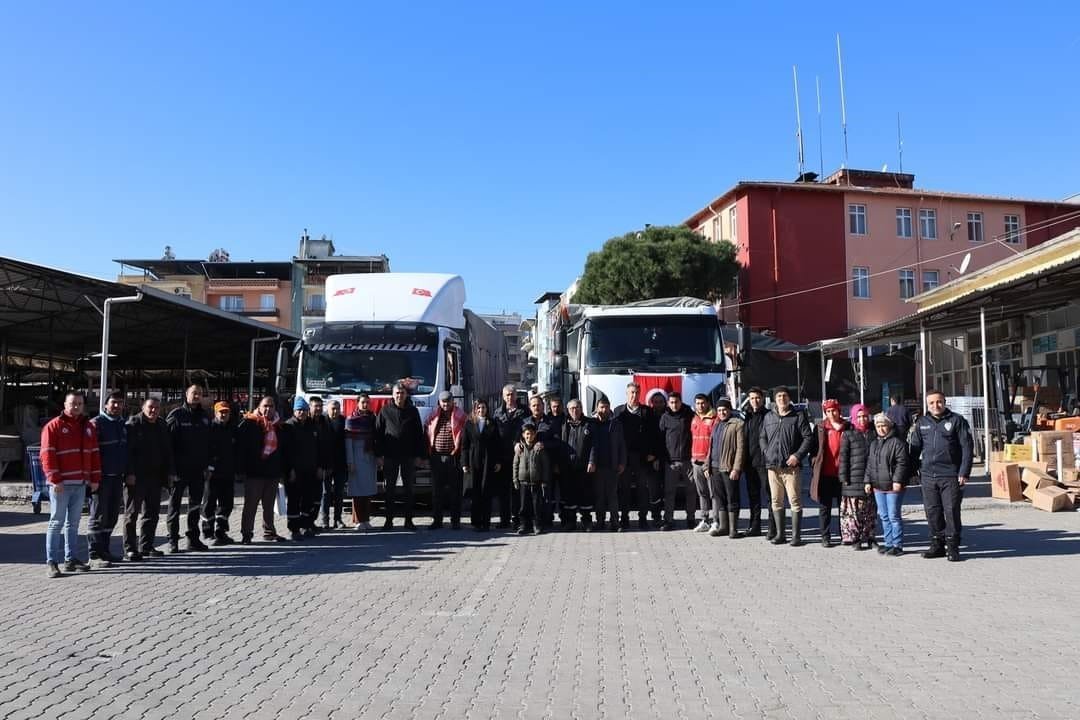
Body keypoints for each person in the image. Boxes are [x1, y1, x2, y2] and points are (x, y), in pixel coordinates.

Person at [40, 391, 101, 578]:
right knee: (56, 522)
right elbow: (47, 454)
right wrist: (54, 479)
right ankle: (52, 562)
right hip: (61, 485)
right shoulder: (53, 426)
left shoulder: (88, 426)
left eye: (80, 404)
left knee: (73, 524)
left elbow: (94, 453)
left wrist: (95, 478)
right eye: (73, 403)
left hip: (80, 483)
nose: (76, 407)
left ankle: (71, 559)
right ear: (65, 405)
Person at [909, 390, 973, 562]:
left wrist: (964, 472)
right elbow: (914, 448)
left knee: (951, 510)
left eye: (939, 402)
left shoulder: (957, 421)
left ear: (944, 402)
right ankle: (937, 545)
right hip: (928, 475)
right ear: (927, 405)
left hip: (951, 475)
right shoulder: (922, 422)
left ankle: (953, 547)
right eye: (931, 403)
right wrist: (913, 470)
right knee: (932, 511)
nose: (935, 406)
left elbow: (967, 447)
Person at [760, 386, 813, 546]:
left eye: (784, 396)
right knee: (776, 501)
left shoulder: (798, 416)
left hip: (791, 468)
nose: (782, 399)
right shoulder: (769, 417)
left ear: (789, 398)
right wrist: (766, 452)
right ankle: (780, 534)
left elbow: (807, 438)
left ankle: (796, 537)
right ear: (774, 400)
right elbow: (762, 437)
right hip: (773, 466)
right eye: (779, 396)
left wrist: (797, 456)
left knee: (794, 501)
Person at [124, 397, 175, 561]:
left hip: (155, 477)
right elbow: (127, 452)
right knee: (132, 514)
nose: (153, 411)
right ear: (143, 407)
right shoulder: (133, 424)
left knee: (152, 513)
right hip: (136, 478)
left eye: (157, 408)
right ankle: (130, 549)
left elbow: (168, 451)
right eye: (150, 407)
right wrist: (129, 473)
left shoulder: (161, 425)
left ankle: (146, 546)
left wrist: (169, 473)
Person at [165, 384, 212, 553]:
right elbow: (167, 445)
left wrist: (207, 466)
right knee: (174, 506)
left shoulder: (205, 417)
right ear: (186, 395)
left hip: (198, 470)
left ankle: (193, 539)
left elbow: (208, 444)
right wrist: (170, 470)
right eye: (194, 393)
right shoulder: (176, 415)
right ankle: (172, 540)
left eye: (200, 393)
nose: (197, 396)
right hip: (179, 470)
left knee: (194, 506)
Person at [375, 382, 427, 531]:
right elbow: (378, 434)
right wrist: (379, 455)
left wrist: (420, 455)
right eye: (397, 393)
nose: (399, 395)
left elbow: (419, 435)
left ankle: (409, 521)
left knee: (408, 489)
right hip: (390, 456)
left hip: (408, 456)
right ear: (392, 394)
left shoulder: (413, 411)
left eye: (402, 393)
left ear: (406, 395)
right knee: (389, 489)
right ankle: (388, 521)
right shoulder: (385, 410)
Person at [237, 396, 286, 544]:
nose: (268, 409)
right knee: (250, 506)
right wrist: (241, 470)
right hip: (254, 473)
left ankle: (269, 532)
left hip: (272, 473)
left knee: (269, 506)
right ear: (259, 407)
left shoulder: (279, 426)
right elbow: (241, 449)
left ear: (275, 409)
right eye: (265, 406)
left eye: (271, 406)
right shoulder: (248, 423)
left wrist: (282, 471)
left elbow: (283, 451)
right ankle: (246, 534)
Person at [89, 391, 128, 567]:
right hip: (101, 478)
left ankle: (105, 550)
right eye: (113, 402)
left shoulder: (122, 423)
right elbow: (90, 452)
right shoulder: (96, 424)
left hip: (117, 477)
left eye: (120, 403)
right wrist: (92, 477)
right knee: (98, 516)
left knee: (111, 516)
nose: (117, 406)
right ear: (105, 405)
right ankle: (94, 554)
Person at [613, 383, 658, 530]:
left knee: (642, 489)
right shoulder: (618, 411)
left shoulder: (647, 412)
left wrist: (653, 453)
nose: (634, 395)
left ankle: (643, 519)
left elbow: (654, 435)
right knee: (624, 489)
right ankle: (624, 519)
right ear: (626, 394)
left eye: (637, 393)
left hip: (642, 458)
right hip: (624, 458)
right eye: (631, 392)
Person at [866, 412, 910, 556]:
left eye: (883, 425)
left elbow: (902, 464)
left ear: (890, 426)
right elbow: (870, 465)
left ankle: (897, 545)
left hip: (893, 486)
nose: (881, 428)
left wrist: (897, 481)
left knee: (893, 516)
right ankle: (888, 542)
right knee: (884, 516)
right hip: (878, 486)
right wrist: (867, 481)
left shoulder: (897, 443)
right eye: (878, 426)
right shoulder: (874, 444)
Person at [282, 396, 325, 539]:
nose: (302, 413)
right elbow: (286, 451)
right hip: (295, 472)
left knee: (309, 499)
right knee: (294, 500)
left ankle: (306, 526)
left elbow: (319, 449)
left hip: (311, 470)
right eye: (299, 410)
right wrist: (290, 470)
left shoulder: (312, 426)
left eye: (304, 410)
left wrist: (319, 466)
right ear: (294, 411)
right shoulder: (288, 426)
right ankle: (294, 530)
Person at [425, 391, 467, 530]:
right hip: (436, 457)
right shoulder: (433, 416)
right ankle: (437, 520)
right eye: (443, 401)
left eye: (448, 401)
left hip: (453, 457)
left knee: (455, 491)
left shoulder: (461, 415)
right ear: (439, 402)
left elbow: (464, 437)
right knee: (437, 491)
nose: (445, 404)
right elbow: (427, 432)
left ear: (452, 402)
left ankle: (455, 521)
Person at [809, 399, 847, 548]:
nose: (831, 414)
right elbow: (813, 448)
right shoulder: (820, 427)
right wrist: (814, 461)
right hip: (825, 474)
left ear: (839, 410)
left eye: (834, 410)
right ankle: (825, 536)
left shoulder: (847, 427)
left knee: (843, 507)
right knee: (825, 507)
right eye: (828, 411)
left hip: (842, 474)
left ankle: (845, 534)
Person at [707, 398, 746, 538]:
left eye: (724, 410)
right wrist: (707, 465)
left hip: (728, 468)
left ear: (729, 410)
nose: (722, 412)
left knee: (732, 498)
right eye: (719, 410)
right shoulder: (716, 425)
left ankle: (733, 530)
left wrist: (736, 468)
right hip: (715, 467)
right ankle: (723, 527)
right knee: (719, 498)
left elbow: (741, 448)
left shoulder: (737, 424)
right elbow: (710, 447)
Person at [461, 398, 502, 531]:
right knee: (475, 491)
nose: (481, 410)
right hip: (474, 461)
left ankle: (486, 522)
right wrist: (464, 463)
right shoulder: (469, 423)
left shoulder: (492, 423)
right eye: (478, 408)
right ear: (475, 409)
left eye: (483, 408)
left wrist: (497, 461)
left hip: (488, 461)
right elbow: (464, 446)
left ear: (487, 409)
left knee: (486, 490)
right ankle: (476, 521)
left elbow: (497, 445)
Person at [201, 401, 238, 546]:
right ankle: (207, 532)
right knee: (209, 503)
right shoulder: (210, 428)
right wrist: (208, 468)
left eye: (226, 412)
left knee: (226, 504)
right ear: (215, 413)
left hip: (228, 472)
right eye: (221, 412)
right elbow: (205, 450)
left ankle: (221, 531)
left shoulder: (233, 429)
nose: (223, 414)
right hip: (212, 473)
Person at [838, 404, 875, 549]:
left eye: (865, 416)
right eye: (859, 416)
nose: (862, 419)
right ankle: (855, 539)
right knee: (855, 512)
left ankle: (870, 537)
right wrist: (844, 477)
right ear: (853, 417)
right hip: (853, 477)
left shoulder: (873, 433)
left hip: (872, 477)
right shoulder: (848, 434)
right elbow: (843, 457)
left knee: (870, 510)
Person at [658, 391, 696, 531]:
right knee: (669, 492)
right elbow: (660, 440)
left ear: (681, 402)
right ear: (668, 403)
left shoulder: (689, 415)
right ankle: (668, 520)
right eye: (671, 402)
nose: (674, 405)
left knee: (691, 491)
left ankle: (691, 518)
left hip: (688, 460)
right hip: (671, 462)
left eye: (676, 402)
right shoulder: (665, 417)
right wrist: (662, 458)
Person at [492, 384, 527, 529]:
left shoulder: (524, 411)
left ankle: (518, 519)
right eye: (507, 395)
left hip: (519, 456)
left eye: (512, 394)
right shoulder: (497, 413)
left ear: (516, 395)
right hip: (502, 457)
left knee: (517, 489)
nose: (510, 397)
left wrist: (520, 442)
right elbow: (493, 436)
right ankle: (504, 519)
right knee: (502, 490)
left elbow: (529, 430)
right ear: (503, 396)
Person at [560, 399, 595, 532]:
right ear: (568, 410)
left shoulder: (588, 424)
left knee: (585, 495)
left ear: (581, 409)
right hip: (568, 466)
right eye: (572, 408)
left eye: (577, 408)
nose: (575, 410)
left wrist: (592, 461)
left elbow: (593, 445)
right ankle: (571, 522)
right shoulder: (564, 424)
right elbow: (559, 444)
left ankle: (587, 522)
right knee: (569, 496)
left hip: (584, 466)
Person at [591, 398, 626, 531]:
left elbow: (622, 444)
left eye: (606, 407)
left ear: (609, 408)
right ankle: (600, 522)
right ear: (597, 408)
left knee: (612, 496)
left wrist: (622, 462)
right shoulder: (592, 423)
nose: (603, 410)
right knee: (599, 496)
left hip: (613, 466)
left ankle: (615, 523)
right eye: (601, 407)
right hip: (597, 467)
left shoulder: (616, 423)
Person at [345, 394, 378, 531]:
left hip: (370, 458)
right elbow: (348, 442)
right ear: (357, 403)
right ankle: (358, 520)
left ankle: (366, 519)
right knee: (358, 491)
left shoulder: (373, 418)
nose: (365, 405)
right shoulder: (351, 419)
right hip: (357, 457)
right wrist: (350, 461)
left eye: (367, 402)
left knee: (368, 490)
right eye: (363, 402)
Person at [742, 387, 772, 538]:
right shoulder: (746, 416)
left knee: (770, 495)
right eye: (752, 398)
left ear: (762, 398)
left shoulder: (768, 415)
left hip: (765, 463)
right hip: (750, 463)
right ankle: (755, 526)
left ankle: (773, 527)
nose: (755, 401)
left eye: (757, 398)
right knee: (753, 496)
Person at [513, 422, 549, 535]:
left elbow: (545, 465)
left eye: (532, 434)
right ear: (523, 435)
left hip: (536, 483)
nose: (529, 436)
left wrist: (544, 480)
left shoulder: (539, 448)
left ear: (535, 434)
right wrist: (515, 479)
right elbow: (515, 465)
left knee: (536, 505)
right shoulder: (520, 449)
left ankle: (537, 525)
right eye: (527, 434)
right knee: (524, 506)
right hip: (523, 482)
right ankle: (524, 525)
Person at [689, 394, 719, 533]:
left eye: (703, 403)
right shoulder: (694, 418)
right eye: (698, 403)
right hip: (696, 462)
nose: (700, 406)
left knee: (714, 493)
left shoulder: (714, 419)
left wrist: (708, 462)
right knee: (702, 493)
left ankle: (716, 521)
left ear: (707, 403)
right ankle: (705, 520)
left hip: (709, 463)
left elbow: (714, 443)